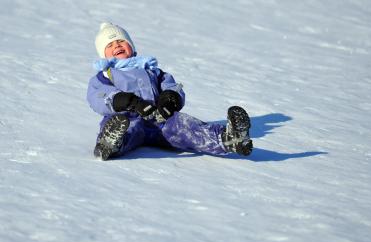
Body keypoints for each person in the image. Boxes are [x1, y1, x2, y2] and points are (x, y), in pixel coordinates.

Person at [87, 22, 253, 160]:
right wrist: (128, 101)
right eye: (110, 45)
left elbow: (172, 86)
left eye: (121, 42)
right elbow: (97, 96)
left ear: (131, 46)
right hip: (127, 117)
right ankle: (110, 143)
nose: (117, 45)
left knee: (186, 127)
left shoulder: (151, 70)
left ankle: (229, 139)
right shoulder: (105, 75)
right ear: (104, 55)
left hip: (159, 118)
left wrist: (169, 99)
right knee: (127, 128)